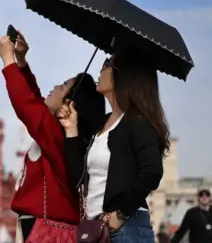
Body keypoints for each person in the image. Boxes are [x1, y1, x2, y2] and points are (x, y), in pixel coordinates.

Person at [58, 46, 167, 242]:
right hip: (97, 230)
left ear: (123, 73)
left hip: (126, 230)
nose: (101, 69)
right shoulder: (103, 124)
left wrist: (121, 213)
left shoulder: (136, 122)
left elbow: (152, 171)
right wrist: (71, 130)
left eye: (107, 63)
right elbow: (78, 178)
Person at [0, 31, 87, 241]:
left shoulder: (56, 134)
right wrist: (21, 61)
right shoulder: (56, 134)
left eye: (63, 86)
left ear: (69, 103)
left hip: (47, 231)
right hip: (44, 228)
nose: (55, 87)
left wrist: (8, 61)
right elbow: (34, 99)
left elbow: (26, 104)